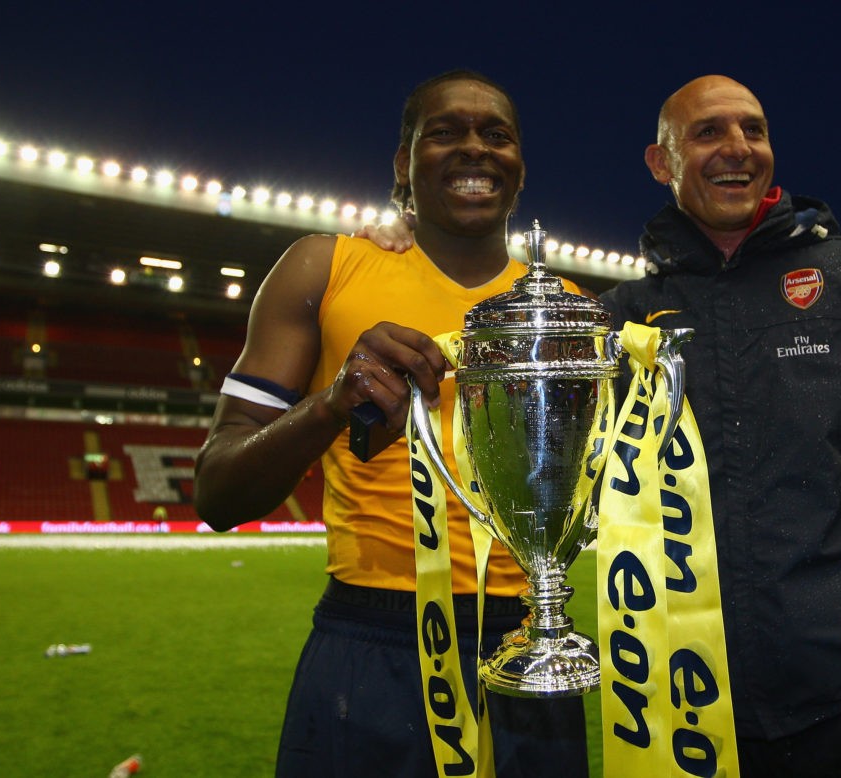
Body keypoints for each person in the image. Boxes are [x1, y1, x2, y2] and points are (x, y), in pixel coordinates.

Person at [597, 75, 841, 777]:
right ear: (661, 163)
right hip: (688, 720)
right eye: (708, 132)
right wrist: (406, 234)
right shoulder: (622, 317)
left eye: (753, 129)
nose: (739, 148)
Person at [193, 69, 588, 778]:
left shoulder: (565, 310)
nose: (475, 148)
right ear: (403, 164)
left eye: (497, 135)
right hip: (372, 641)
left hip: (532, 645)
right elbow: (217, 493)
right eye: (445, 132)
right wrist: (331, 405)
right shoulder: (325, 267)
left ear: (520, 168)